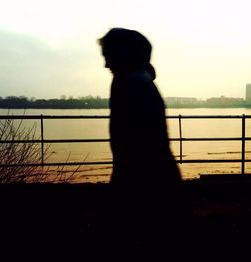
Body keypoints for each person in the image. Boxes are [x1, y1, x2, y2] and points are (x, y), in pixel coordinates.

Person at [94, 28, 193, 259]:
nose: (105, 64)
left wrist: (120, 193)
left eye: (108, 55)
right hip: (154, 185)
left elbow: (138, 148)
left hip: (145, 187)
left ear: (124, 54)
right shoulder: (134, 81)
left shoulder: (132, 84)